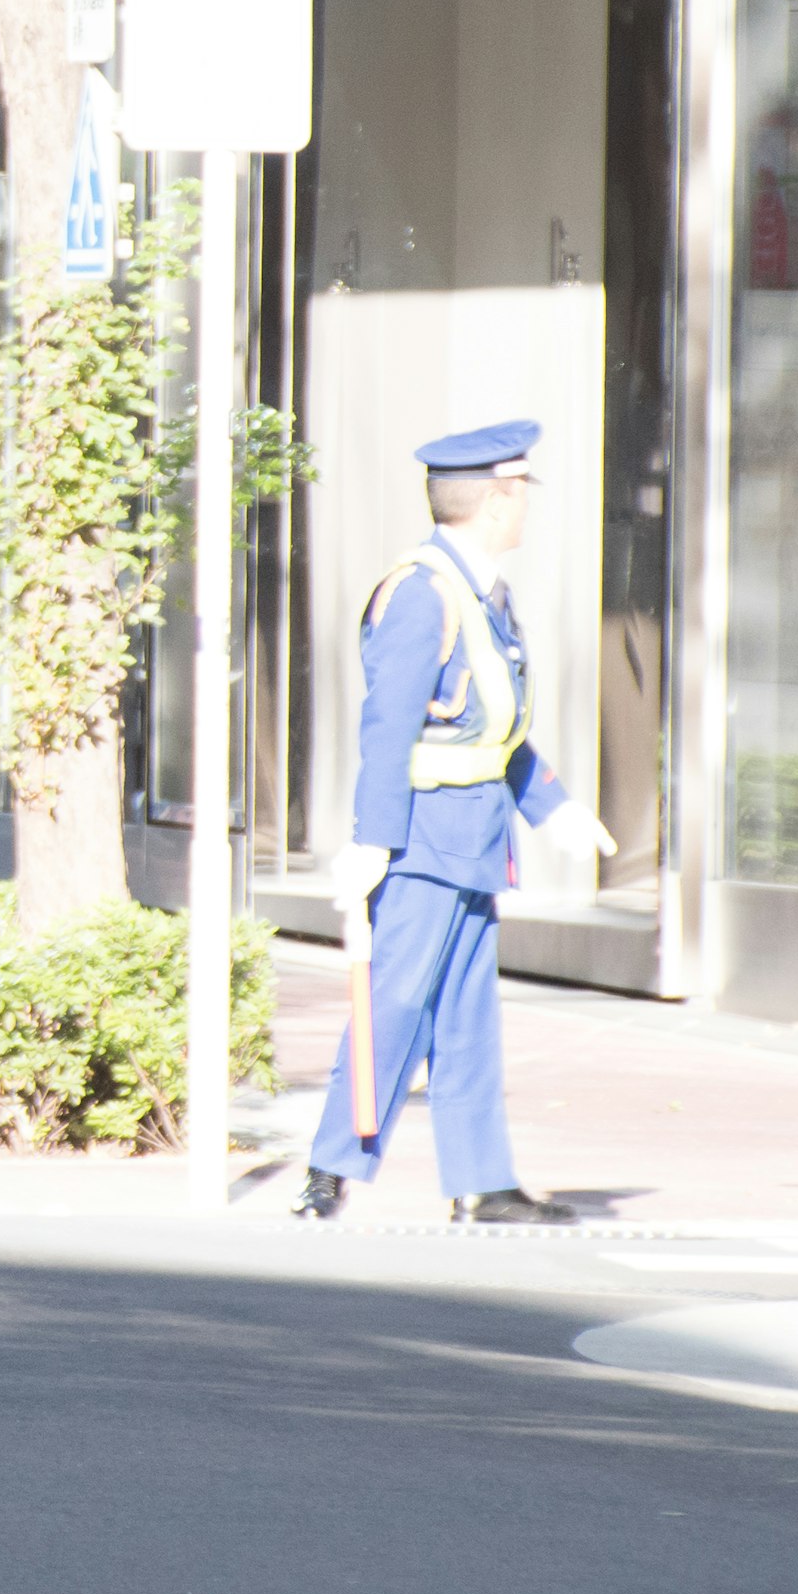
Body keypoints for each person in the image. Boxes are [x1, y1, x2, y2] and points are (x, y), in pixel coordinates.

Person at [296, 419, 608, 1227]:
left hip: (474, 838)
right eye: (522, 492)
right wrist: (370, 841)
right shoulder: (422, 595)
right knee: (395, 1003)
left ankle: (481, 1182)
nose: (527, 508)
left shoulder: (478, 594)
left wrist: (556, 808)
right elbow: (389, 728)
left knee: (468, 1017)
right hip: (424, 840)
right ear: (500, 501)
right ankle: (328, 1172)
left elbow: (492, 729)